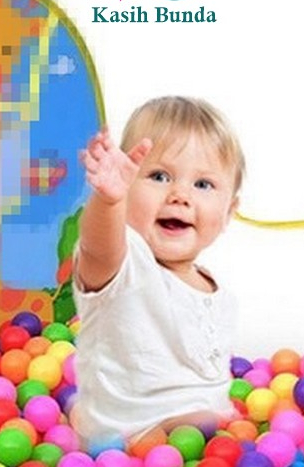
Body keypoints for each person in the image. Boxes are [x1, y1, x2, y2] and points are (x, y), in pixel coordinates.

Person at [71, 96, 246, 446]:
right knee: (207, 427)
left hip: (200, 445)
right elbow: (98, 248)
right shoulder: (126, 263)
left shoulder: (217, 291)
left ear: (228, 212)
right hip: (125, 437)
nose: (179, 195)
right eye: (159, 176)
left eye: (203, 184)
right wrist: (108, 201)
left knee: (223, 428)